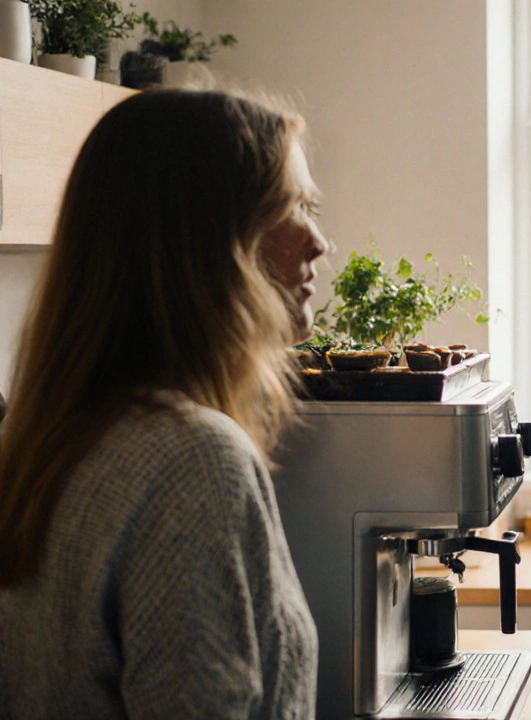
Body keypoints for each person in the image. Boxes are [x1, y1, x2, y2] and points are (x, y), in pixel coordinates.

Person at [0, 89, 328, 718]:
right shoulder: (192, 460)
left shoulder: (47, 437)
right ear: (205, 238)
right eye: (290, 208)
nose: (317, 242)